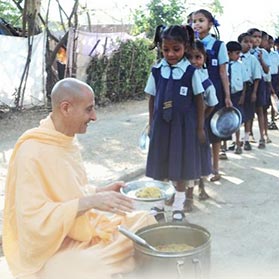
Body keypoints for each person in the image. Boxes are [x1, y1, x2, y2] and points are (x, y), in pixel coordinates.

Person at [2, 78, 156, 279]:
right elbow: (32, 220)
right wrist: (90, 201)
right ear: (66, 108)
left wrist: (100, 192)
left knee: (145, 222)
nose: (94, 117)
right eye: (89, 109)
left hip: (82, 228)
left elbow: (70, 191)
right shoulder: (32, 151)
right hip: (52, 247)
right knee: (92, 266)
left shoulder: (65, 140)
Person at [145, 25, 206, 221]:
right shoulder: (156, 71)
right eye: (166, 49)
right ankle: (158, 206)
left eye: (176, 49)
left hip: (183, 128)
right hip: (162, 126)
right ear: (161, 48)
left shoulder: (191, 72)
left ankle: (178, 206)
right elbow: (152, 98)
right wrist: (151, 124)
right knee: (160, 166)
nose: (170, 54)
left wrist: (199, 128)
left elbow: (199, 101)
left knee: (180, 168)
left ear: (185, 47)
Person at [192, 9, 232, 181]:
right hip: (194, 93)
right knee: (197, 129)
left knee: (213, 131)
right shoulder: (189, 44)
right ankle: (198, 167)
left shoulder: (218, 45)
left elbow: (223, 72)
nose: (197, 24)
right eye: (194, 21)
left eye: (201, 20)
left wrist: (228, 96)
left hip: (214, 92)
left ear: (210, 23)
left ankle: (215, 168)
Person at [186, 40, 218, 210]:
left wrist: (202, 119)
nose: (193, 61)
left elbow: (212, 103)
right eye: (189, 57)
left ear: (204, 59)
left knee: (198, 159)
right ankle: (182, 193)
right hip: (183, 126)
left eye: (197, 57)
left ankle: (197, 191)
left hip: (198, 127)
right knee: (185, 159)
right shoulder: (183, 76)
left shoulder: (206, 81)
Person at [247, 28, 271, 149]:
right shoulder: (245, 51)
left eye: (259, 37)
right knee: (248, 111)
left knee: (260, 110)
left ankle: (262, 137)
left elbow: (267, 70)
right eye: (255, 36)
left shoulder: (263, 52)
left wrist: (261, 59)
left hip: (260, 81)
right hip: (247, 82)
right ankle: (247, 137)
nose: (257, 39)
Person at [237, 32, 261, 151]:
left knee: (248, 115)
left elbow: (256, 77)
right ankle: (236, 141)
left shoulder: (253, 59)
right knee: (237, 114)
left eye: (250, 42)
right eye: (246, 42)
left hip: (249, 88)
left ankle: (246, 139)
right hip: (237, 89)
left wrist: (254, 92)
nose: (249, 44)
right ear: (240, 43)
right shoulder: (235, 58)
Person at [226, 41, 249, 154]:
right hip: (226, 95)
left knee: (237, 120)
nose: (239, 55)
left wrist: (243, 95)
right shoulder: (224, 65)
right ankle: (223, 145)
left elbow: (245, 82)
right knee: (225, 119)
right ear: (229, 53)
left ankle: (238, 143)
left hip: (237, 95)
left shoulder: (240, 65)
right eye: (237, 53)